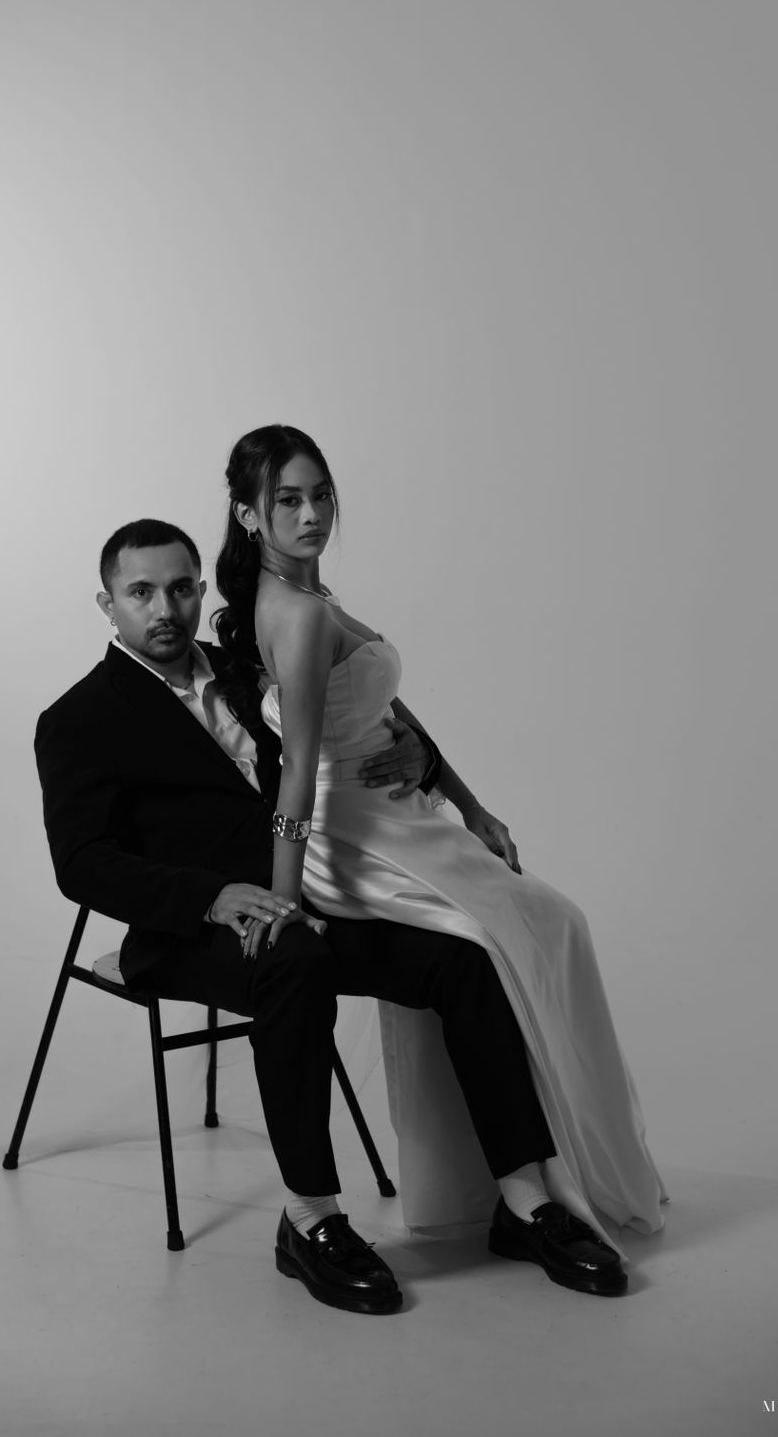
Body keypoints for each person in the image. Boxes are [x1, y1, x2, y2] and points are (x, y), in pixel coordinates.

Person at [35, 517, 635, 1316]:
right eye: (140, 592)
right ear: (106, 604)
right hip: (189, 931)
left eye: (180, 588)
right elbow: (82, 864)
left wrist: (424, 761)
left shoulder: (247, 668)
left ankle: (524, 1202)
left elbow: (356, 725)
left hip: (315, 893)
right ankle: (310, 1218)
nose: (164, 608)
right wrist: (212, 898)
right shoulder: (78, 718)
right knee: (294, 963)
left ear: (201, 589)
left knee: (463, 954)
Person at [213, 424, 667, 1276]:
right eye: (288, 500)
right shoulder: (298, 614)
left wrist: (468, 802)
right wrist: (286, 900)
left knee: (546, 929)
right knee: (543, 927)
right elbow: (299, 771)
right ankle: (544, 1189)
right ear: (248, 515)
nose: (312, 514)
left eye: (322, 494)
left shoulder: (313, 597)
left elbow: (389, 712)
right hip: (354, 836)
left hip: (400, 815)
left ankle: (527, 1189)